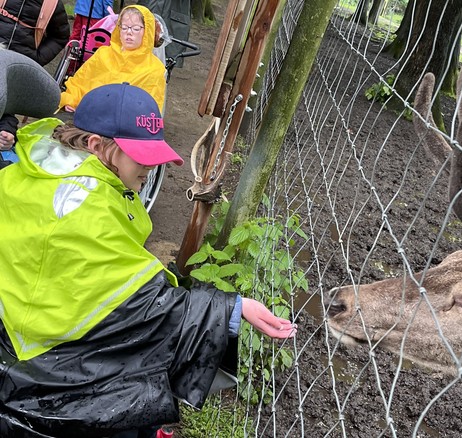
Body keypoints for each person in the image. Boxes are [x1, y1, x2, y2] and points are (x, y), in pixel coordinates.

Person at [0, 82, 297, 437]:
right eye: (141, 155)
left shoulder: (40, 165)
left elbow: (106, 270)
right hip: (40, 356)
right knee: (128, 393)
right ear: (98, 146)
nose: (151, 167)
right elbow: (136, 307)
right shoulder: (86, 206)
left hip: (16, 322)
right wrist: (230, 309)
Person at [59, 5, 166, 112]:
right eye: (124, 27)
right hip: (90, 115)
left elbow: (151, 109)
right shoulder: (103, 54)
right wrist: (72, 100)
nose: (129, 32)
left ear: (147, 32)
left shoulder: (155, 69)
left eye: (136, 28)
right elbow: (80, 82)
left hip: (126, 124)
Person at [0, 0, 70, 150]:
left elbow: (61, 36)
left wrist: (36, 59)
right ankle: (6, 132)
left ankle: (6, 133)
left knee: (9, 99)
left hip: (19, 67)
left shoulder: (52, 4)